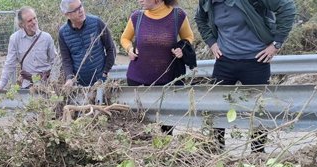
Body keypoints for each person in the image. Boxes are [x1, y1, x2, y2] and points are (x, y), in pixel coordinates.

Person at [195, 0, 296, 152]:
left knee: (258, 109)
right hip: (225, 60)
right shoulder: (208, 2)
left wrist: (276, 44)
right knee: (216, 107)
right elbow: (200, 19)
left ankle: (257, 153)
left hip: (256, 60)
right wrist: (211, 42)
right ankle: (216, 150)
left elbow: (287, 7)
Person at [120, 0, 196, 135]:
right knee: (140, 129)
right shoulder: (137, 17)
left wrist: (181, 48)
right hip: (138, 80)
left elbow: (189, 37)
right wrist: (129, 49)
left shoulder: (178, 15)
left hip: (167, 82)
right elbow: (125, 38)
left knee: (166, 130)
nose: (139, 0)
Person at [0, 7, 57, 95]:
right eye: (29, 20)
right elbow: (10, 64)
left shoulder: (46, 38)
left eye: (35, 18)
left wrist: (54, 83)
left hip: (46, 86)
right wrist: (1, 85)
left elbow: (55, 62)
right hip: (27, 86)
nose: (34, 22)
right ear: (22, 24)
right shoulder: (15, 39)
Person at [58, 0, 116, 87]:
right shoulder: (63, 33)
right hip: (79, 85)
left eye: (80, 6)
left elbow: (111, 49)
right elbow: (66, 60)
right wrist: (69, 78)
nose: (81, 10)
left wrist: (104, 73)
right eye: (75, 10)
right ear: (67, 15)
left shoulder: (96, 22)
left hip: (101, 82)